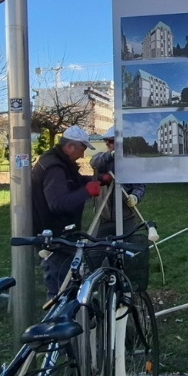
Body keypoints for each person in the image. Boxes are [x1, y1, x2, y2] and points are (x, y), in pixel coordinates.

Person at [31, 125, 108, 297]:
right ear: (70, 146)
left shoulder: (60, 163)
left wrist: (98, 179)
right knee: (61, 289)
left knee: (69, 283)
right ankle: (58, 321)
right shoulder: (54, 168)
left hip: (61, 235)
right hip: (55, 238)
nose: (82, 155)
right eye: (82, 149)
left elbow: (73, 181)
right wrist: (87, 191)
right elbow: (57, 203)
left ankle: (68, 318)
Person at [89, 127, 146, 238]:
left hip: (126, 217)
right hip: (104, 217)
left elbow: (140, 185)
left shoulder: (133, 161)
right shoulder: (104, 158)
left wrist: (135, 196)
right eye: (106, 141)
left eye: (111, 141)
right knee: (98, 250)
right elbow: (93, 162)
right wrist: (110, 156)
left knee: (127, 248)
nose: (107, 144)